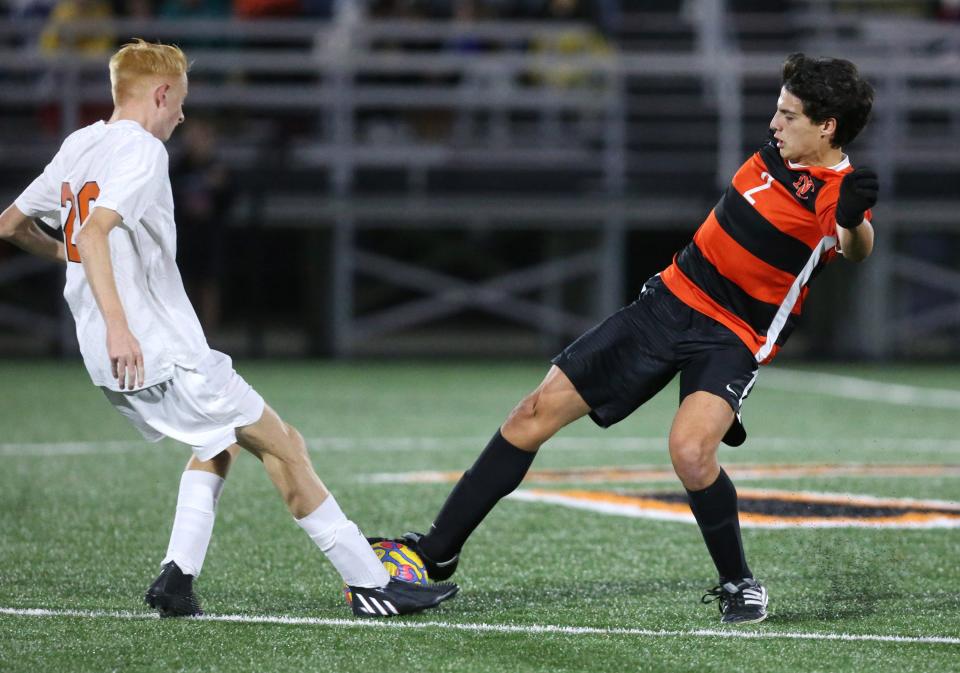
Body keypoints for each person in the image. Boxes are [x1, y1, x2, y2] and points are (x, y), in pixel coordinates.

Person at [380, 53, 878, 625]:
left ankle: (739, 582)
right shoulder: (781, 151)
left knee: (691, 454)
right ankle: (436, 551)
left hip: (732, 336)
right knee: (530, 414)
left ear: (827, 127)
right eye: (776, 111)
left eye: (787, 115)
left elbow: (851, 243)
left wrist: (856, 217)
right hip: (666, 302)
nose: (773, 124)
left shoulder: (836, 191)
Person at [0, 39, 457, 619]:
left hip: (109, 357)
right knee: (286, 446)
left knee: (216, 444)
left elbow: (12, 226)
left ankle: (176, 577)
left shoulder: (79, 144)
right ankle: (372, 585)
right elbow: (92, 234)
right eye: (180, 102)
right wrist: (120, 323)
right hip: (156, 349)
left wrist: (80, 272)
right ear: (161, 93)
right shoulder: (142, 149)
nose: (183, 116)